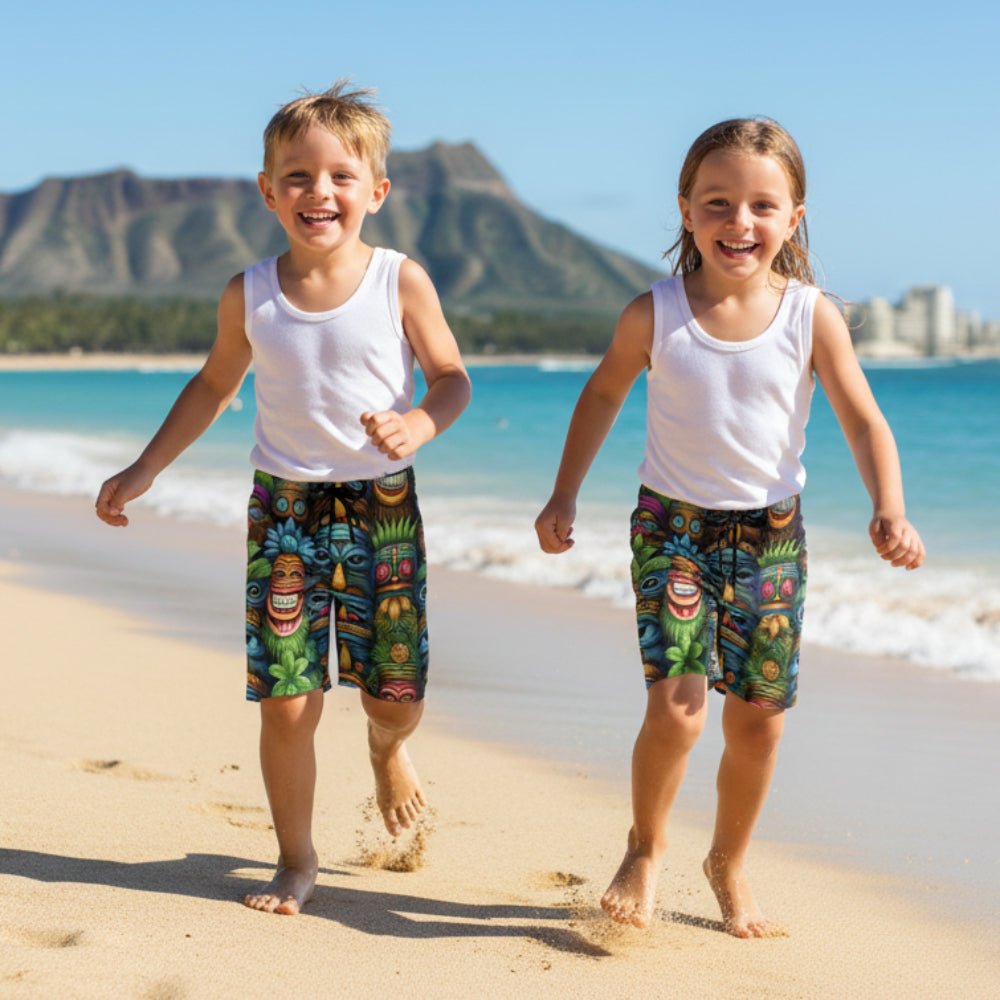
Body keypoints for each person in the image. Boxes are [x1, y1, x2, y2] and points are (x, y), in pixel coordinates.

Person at [534, 118, 924, 937]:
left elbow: (863, 420)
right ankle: (644, 848)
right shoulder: (656, 313)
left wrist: (888, 505)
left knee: (758, 718)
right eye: (717, 202)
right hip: (671, 529)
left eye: (760, 204)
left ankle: (729, 860)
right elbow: (602, 395)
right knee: (677, 708)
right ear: (685, 209)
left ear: (794, 217)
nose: (738, 222)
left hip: (770, 536)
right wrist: (564, 494)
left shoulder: (811, 318)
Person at [95, 82, 471, 916]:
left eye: (341, 176)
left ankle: (385, 750)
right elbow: (210, 385)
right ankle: (296, 860)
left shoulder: (399, 282)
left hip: (382, 509)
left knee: (393, 694)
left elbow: (452, 379)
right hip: (285, 514)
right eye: (297, 176)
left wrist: (418, 423)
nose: (319, 192)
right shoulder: (250, 293)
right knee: (288, 699)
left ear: (376, 191)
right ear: (268, 191)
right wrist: (145, 467)